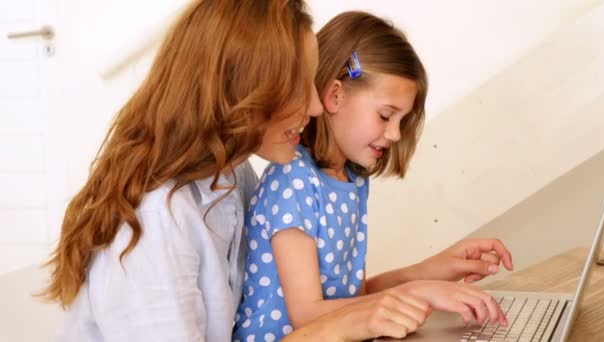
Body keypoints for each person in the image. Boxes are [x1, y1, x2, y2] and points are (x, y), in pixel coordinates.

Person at [38, 1, 434, 341]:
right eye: (301, 87)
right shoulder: (155, 223)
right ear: (245, 89)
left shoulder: (233, 178)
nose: (315, 108)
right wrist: (336, 326)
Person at [233, 11, 513, 341]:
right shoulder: (292, 181)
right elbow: (307, 315)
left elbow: (354, 296)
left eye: (401, 121)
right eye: (385, 116)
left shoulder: (351, 180)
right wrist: (419, 292)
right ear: (335, 96)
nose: (394, 134)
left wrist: (437, 270)